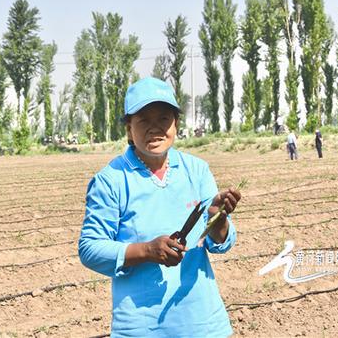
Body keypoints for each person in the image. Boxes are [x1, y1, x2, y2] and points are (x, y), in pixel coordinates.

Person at [78, 77, 242, 338]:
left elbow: (221, 242)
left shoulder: (197, 170)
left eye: (164, 119)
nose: (155, 128)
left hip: (203, 324)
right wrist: (146, 251)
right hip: (141, 328)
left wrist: (217, 217)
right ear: (129, 127)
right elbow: (90, 248)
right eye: (144, 120)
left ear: (176, 124)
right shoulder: (111, 180)